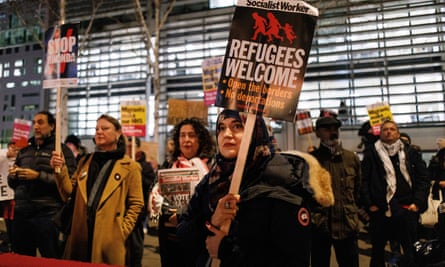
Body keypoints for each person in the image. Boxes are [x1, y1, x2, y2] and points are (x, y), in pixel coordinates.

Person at [177, 109, 332, 267]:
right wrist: (212, 220)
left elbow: (293, 260)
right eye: (221, 128)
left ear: (256, 131)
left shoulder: (281, 182)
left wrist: (225, 249)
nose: (227, 134)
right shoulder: (211, 182)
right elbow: (182, 234)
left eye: (237, 126)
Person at [50, 114, 144, 265]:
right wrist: (60, 170)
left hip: (108, 241)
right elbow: (68, 194)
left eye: (105, 128)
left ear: (118, 133)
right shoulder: (85, 161)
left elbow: (136, 204)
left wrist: (120, 233)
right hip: (80, 237)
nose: (99, 132)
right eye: (97, 129)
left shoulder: (130, 167)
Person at [7, 111, 77, 258]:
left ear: (52, 126)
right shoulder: (25, 150)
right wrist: (13, 175)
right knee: (22, 260)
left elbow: (69, 183)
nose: (36, 126)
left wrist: (38, 176)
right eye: (34, 123)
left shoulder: (62, 151)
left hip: (48, 215)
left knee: (51, 259)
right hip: (22, 215)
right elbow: (12, 184)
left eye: (40, 122)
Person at [360, 120, 430, 267]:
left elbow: (423, 179)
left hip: (407, 209)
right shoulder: (372, 153)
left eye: (392, 129)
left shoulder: (411, 152)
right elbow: (363, 180)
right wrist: (370, 204)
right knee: (378, 253)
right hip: (381, 210)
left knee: (411, 252)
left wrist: (417, 203)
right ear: (381, 133)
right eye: (385, 129)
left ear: (398, 133)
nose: (389, 132)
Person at [152, 117, 216, 267]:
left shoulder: (212, 167)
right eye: (182, 135)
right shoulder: (168, 165)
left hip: (198, 240)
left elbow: (211, 204)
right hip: (170, 239)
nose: (186, 140)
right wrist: (168, 209)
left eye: (192, 135)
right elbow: (155, 193)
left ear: (201, 140)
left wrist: (181, 218)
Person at [310, 116, 362, 267]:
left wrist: (353, 211)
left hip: (347, 224)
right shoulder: (311, 161)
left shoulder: (351, 158)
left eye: (335, 129)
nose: (332, 132)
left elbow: (358, 188)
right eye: (327, 129)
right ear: (317, 133)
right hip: (320, 225)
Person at [126, 136, 156, 267]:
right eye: (127, 145)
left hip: (138, 209)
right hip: (122, 210)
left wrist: (136, 173)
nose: (129, 148)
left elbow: (150, 183)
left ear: (137, 147)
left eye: (132, 145)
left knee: (136, 242)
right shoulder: (121, 163)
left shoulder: (145, 166)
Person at [0, 141, 19, 252]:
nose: (14, 151)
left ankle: (12, 245)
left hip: (14, 197)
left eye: (17, 149)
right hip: (3, 196)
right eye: (12, 148)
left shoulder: (20, 158)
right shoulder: (2, 155)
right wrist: (6, 155)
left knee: (12, 223)